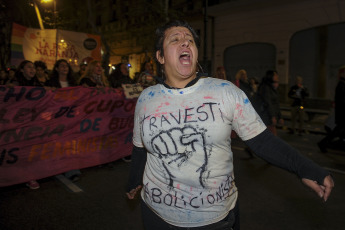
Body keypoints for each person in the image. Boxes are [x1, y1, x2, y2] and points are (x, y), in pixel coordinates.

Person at [126, 20, 334, 230]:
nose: (185, 43)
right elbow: (140, 147)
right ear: (160, 56)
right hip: (156, 214)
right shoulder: (146, 98)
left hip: (214, 219)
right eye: (176, 40)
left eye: (190, 40)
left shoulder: (225, 92)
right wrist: (134, 180)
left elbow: (263, 141)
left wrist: (305, 168)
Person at [45, 59, 81, 181]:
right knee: (58, 143)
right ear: (56, 69)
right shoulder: (51, 82)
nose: (64, 68)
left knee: (69, 144)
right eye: (62, 66)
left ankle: (71, 169)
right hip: (57, 118)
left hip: (71, 118)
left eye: (66, 66)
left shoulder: (73, 83)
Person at [15, 60, 43, 189]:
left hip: (33, 120)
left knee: (31, 148)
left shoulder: (38, 84)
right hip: (17, 122)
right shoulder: (14, 84)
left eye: (33, 68)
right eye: (29, 67)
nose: (32, 70)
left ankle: (30, 175)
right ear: (21, 70)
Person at [318, 66, 345, 153]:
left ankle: (324, 143)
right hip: (342, 114)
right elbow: (342, 101)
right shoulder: (341, 85)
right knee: (336, 132)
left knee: (337, 132)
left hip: (340, 114)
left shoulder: (342, 84)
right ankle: (323, 143)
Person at [257, 70, 284, 136]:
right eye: (275, 75)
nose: (277, 76)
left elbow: (276, 103)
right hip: (266, 115)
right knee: (272, 136)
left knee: (268, 136)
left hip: (269, 116)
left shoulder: (272, 87)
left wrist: (280, 116)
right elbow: (268, 102)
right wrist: (272, 116)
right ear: (270, 76)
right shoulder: (265, 87)